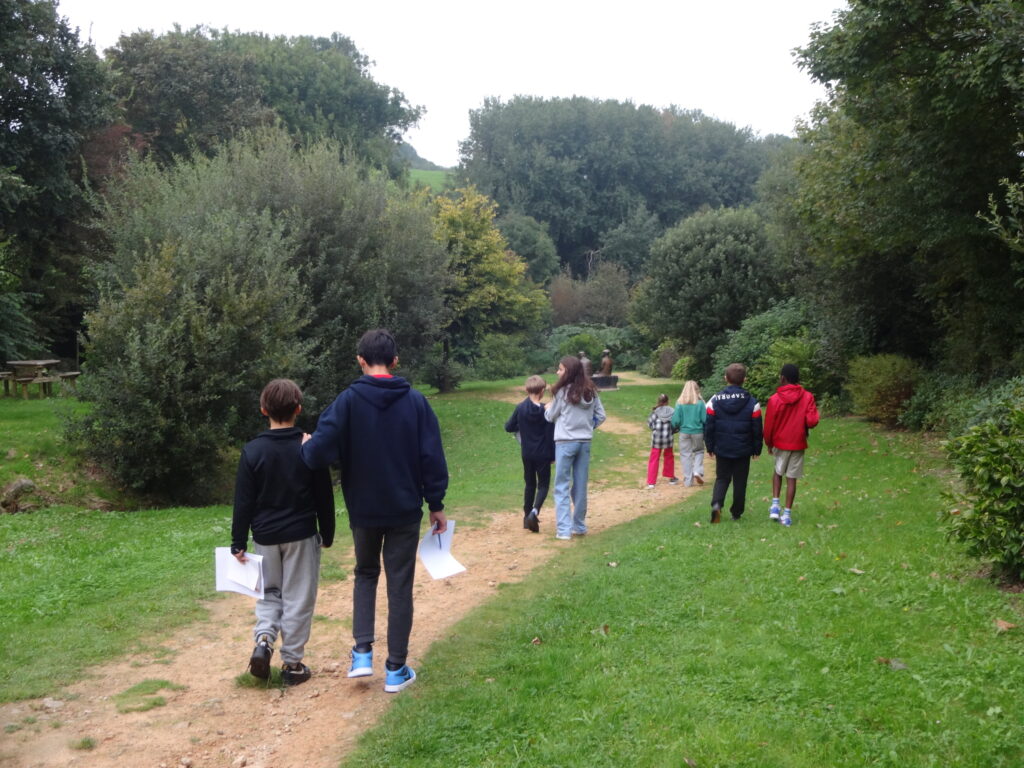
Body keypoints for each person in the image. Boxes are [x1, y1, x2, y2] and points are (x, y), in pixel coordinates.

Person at [300, 329, 448, 693]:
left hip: (363, 510)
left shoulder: (347, 402)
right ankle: (396, 669)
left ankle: (362, 653)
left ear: (360, 361)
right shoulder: (415, 401)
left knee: (365, 574)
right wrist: (437, 504)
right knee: (400, 584)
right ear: (395, 362)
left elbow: (318, 454)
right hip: (404, 509)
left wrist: (307, 446)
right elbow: (432, 456)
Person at [232, 378, 335, 686]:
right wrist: (327, 532)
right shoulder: (309, 449)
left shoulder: (252, 451)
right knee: (298, 597)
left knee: (269, 593)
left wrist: (238, 542)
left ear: (264, 410)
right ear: (299, 409)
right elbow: (324, 496)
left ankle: (264, 639)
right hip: (302, 535)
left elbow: (243, 502)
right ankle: (292, 664)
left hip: (264, 537)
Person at [545, 355, 606, 540]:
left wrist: (548, 408)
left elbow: (550, 416)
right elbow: (601, 416)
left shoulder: (562, 392)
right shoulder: (591, 391)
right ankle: (579, 526)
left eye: (560, 369)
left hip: (565, 443)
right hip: (584, 443)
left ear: (568, 371)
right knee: (580, 485)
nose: (557, 372)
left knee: (561, 485)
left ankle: (563, 530)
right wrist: (588, 427)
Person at [763, 363, 820, 527]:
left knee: (777, 472)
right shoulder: (807, 397)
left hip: (780, 442)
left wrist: (768, 442)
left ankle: (775, 505)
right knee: (792, 478)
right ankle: (787, 514)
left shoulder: (775, 399)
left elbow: (769, 425)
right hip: (798, 442)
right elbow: (812, 421)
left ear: (782, 378)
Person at [704, 363, 762, 523]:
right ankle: (736, 512)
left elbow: (709, 426)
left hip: (722, 447)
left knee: (722, 478)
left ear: (725, 379)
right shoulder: (752, 402)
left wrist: (710, 446)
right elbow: (757, 428)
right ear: (745, 380)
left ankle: (717, 505)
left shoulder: (713, 401)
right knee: (740, 481)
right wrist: (757, 449)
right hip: (743, 448)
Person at [504, 375, 556, 532]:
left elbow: (509, 427)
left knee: (530, 484)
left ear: (526, 390)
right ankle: (535, 512)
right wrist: (553, 455)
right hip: (543, 454)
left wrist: (522, 428)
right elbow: (550, 434)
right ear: (542, 391)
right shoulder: (545, 410)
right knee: (544, 485)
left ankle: (526, 518)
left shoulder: (520, 408)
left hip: (527, 453)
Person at [671, 380, 707, 487]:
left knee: (685, 455)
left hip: (684, 432)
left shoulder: (679, 403)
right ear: (697, 390)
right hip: (698, 431)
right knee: (699, 451)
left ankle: (688, 481)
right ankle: (697, 470)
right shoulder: (700, 403)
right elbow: (705, 419)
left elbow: (675, 421)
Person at [646, 393, 678, 488]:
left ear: (659, 402)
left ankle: (651, 482)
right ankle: (671, 477)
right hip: (668, 438)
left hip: (656, 439)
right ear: (668, 401)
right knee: (669, 457)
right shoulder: (672, 411)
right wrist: (673, 431)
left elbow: (650, 424)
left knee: (654, 459)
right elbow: (676, 424)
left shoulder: (654, 412)